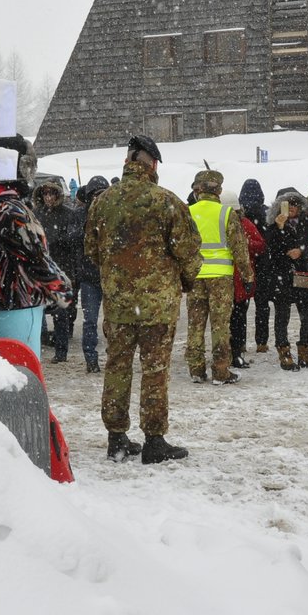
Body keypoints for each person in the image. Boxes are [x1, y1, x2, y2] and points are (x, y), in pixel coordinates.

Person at [84, 134, 202, 464]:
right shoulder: (166, 202)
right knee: (155, 371)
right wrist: (183, 283)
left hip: (119, 306)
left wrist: (117, 278)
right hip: (157, 306)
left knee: (117, 367)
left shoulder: (102, 202)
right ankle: (154, 441)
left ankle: (117, 438)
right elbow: (189, 252)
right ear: (151, 163)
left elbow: (91, 252)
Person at [0, 135, 71, 358]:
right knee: (23, 367)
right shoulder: (12, 209)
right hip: (19, 300)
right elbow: (36, 256)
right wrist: (61, 288)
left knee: (3, 368)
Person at [183, 169, 253, 385]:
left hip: (196, 276)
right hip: (221, 277)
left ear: (198, 190)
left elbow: (180, 247)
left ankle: (196, 369)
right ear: (219, 190)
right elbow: (240, 249)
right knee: (220, 325)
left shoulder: (188, 213)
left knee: (195, 325)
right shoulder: (226, 213)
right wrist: (247, 276)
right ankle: (221, 370)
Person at [265, 187, 308, 369]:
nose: (291, 208)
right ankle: (285, 354)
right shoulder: (273, 227)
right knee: (282, 316)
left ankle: (306, 353)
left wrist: (302, 252)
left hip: (304, 274)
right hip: (282, 276)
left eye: (295, 204)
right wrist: (279, 229)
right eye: (287, 204)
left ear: (301, 206)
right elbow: (271, 253)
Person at [32, 178, 84, 363]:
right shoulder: (36, 213)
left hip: (61, 268)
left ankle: (61, 352)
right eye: (45, 193)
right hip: (41, 267)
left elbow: (74, 241)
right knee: (37, 312)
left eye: (52, 193)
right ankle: (37, 349)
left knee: (60, 313)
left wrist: (55, 241)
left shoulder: (68, 215)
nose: (48, 197)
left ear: (57, 195)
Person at [230, 178, 270, 364]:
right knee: (260, 306)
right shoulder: (264, 213)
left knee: (238, 309)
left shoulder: (236, 218)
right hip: (261, 265)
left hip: (240, 268)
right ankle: (261, 341)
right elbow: (263, 243)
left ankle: (239, 344)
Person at [74, 175, 110, 375]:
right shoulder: (81, 215)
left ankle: (113, 356)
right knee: (90, 321)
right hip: (89, 277)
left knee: (113, 321)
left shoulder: (114, 213)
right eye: (95, 195)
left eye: (102, 194)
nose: (99, 198)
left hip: (109, 275)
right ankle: (91, 359)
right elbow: (71, 240)